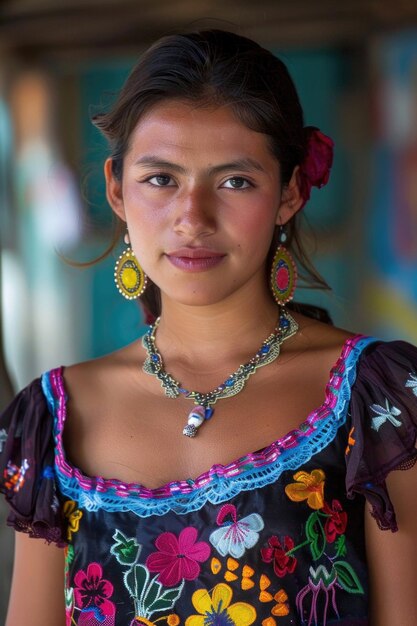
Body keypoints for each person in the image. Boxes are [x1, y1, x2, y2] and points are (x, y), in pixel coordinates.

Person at [1, 29, 416, 626]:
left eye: (235, 181)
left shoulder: (379, 401)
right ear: (118, 188)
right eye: (161, 179)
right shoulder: (53, 418)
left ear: (290, 191)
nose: (192, 218)